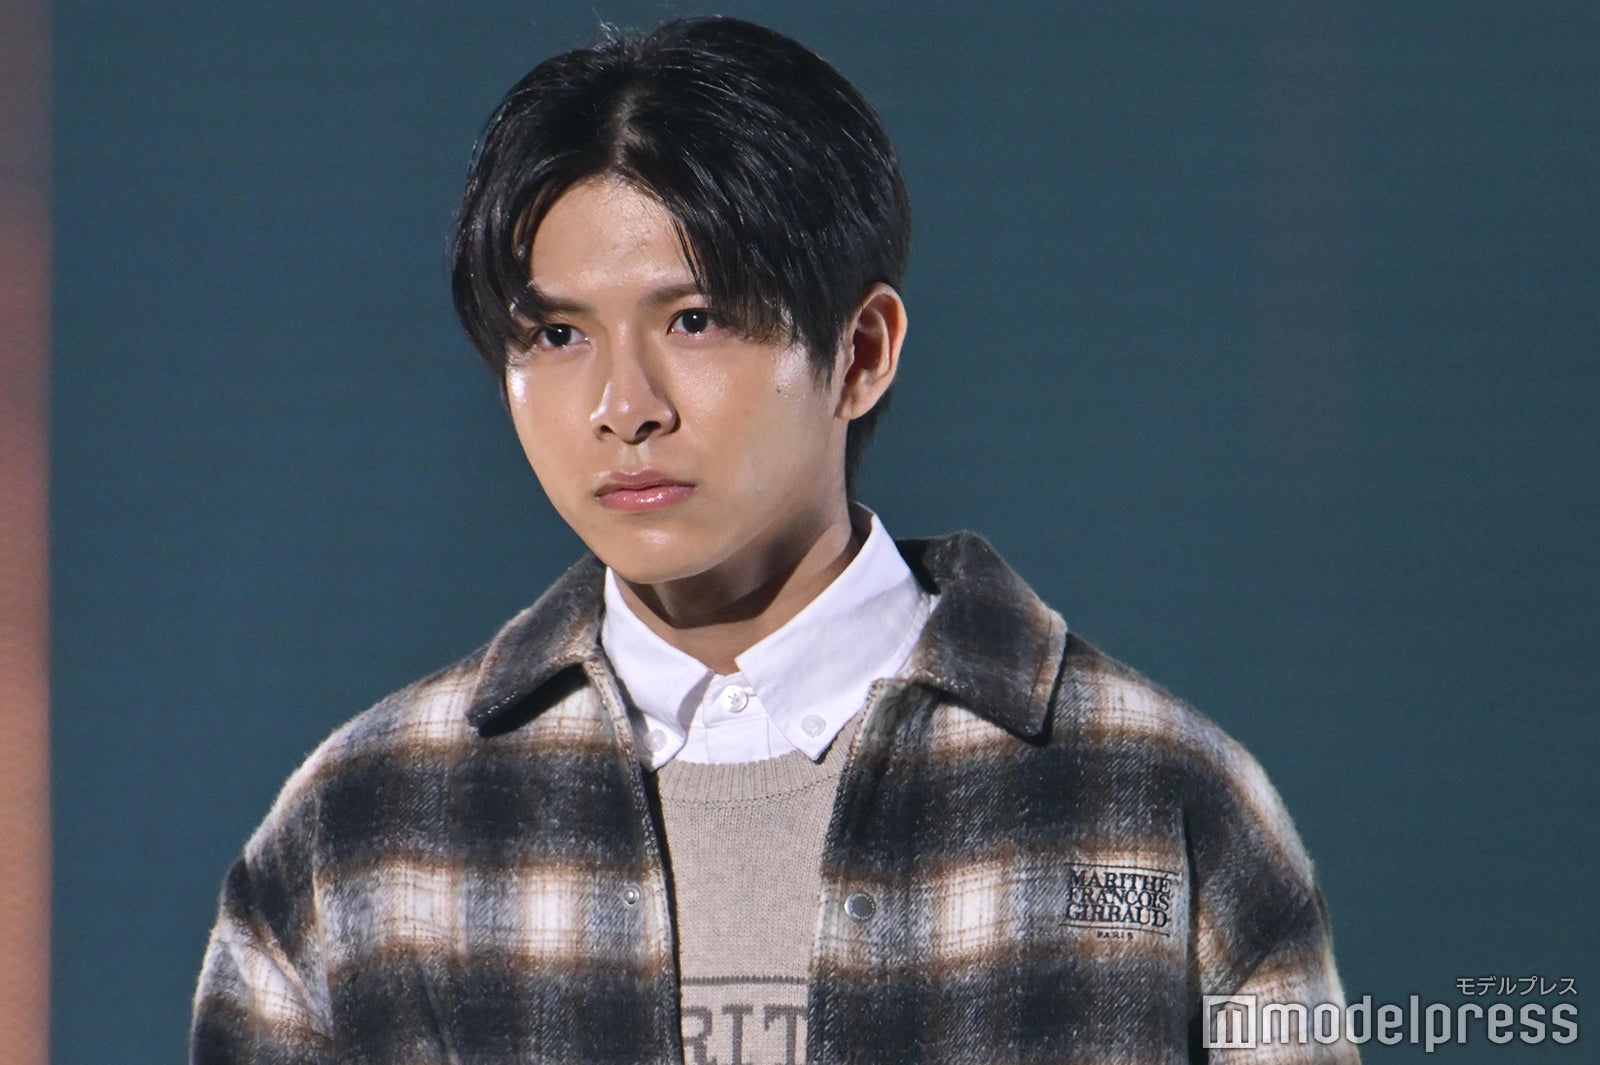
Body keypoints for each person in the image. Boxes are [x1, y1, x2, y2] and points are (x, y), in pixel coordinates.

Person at [191, 16, 1356, 1064]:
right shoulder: (365, 834)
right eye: (555, 337)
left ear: (860, 353)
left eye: (694, 319)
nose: (622, 407)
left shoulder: (1149, 803)